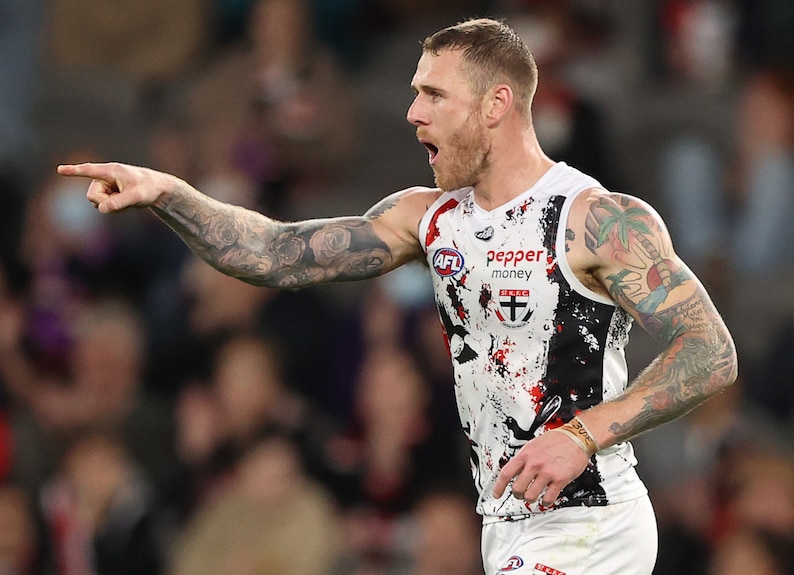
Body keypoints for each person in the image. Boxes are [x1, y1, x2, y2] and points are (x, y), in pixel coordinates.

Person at [57, 18, 738, 574]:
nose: (412, 114)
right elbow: (272, 253)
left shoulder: (594, 219)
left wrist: (583, 435)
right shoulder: (430, 218)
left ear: (496, 103)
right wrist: (171, 194)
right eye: (413, 92)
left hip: (590, 522)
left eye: (434, 95)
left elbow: (710, 349)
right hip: (509, 526)